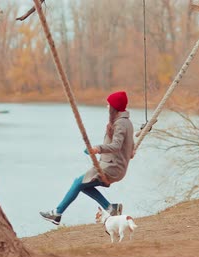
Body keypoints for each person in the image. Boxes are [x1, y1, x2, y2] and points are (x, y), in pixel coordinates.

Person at [40, 91, 135, 225]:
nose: (107, 107)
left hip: (112, 167)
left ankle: (57, 213)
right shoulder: (127, 122)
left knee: (78, 183)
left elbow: (117, 145)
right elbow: (130, 146)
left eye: (109, 105)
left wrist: (97, 149)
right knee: (82, 185)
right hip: (115, 166)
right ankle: (110, 208)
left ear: (114, 107)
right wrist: (130, 152)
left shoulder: (120, 124)